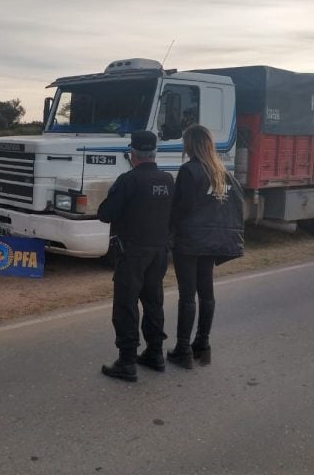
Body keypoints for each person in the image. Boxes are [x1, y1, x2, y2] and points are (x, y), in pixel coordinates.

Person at [97, 130, 176, 382]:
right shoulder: (167, 180)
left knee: (126, 304)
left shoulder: (128, 180)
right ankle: (155, 353)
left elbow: (105, 213)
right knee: (153, 302)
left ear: (133, 154)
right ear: (154, 153)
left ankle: (127, 361)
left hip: (131, 252)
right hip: (159, 252)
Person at [167, 124, 244, 369]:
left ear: (190, 144)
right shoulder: (222, 173)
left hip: (190, 242)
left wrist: (169, 232)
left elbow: (181, 209)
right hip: (213, 241)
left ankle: (182, 349)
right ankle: (203, 345)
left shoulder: (189, 171)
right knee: (207, 294)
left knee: (187, 296)